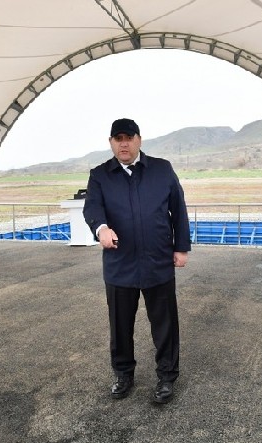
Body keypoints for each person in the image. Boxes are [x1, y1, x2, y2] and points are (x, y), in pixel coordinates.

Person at [83, 118, 191, 404]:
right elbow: (92, 208)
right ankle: (123, 374)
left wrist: (181, 248)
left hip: (158, 261)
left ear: (139, 140)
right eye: (118, 139)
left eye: (129, 138)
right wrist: (101, 229)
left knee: (165, 324)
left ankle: (167, 376)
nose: (124, 144)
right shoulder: (100, 175)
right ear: (111, 143)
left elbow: (178, 209)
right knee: (120, 325)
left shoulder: (162, 169)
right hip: (120, 264)